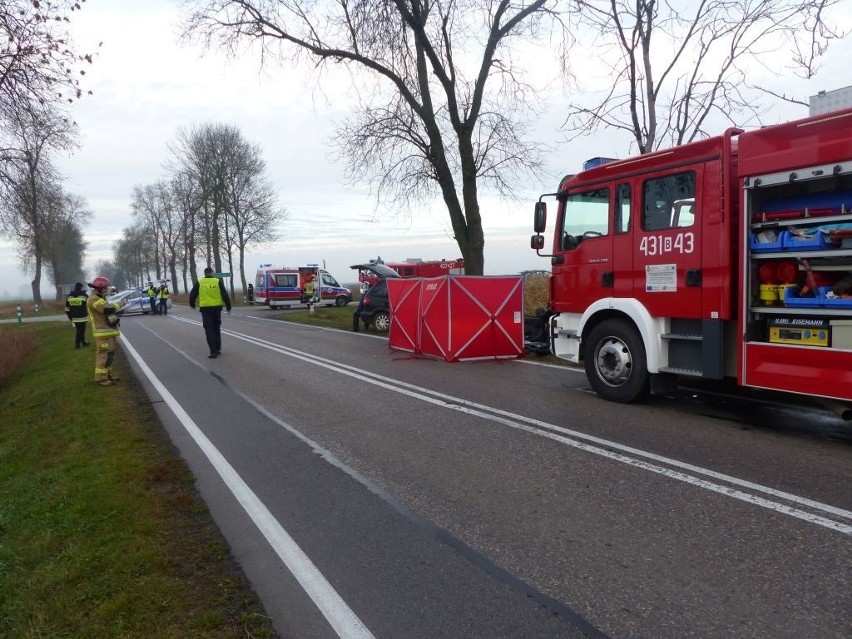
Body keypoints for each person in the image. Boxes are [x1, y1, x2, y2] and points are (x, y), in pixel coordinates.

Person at [86, 276, 127, 386]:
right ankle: (101, 379)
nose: (106, 289)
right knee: (103, 356)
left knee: (109, 355)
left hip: (108, 332)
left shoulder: (100, 298)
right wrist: (121, 303)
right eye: (105, 288)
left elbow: (108, 313)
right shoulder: (94, 299)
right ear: (98, 288)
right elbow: (107, 309)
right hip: (102, 333)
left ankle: (108, 375)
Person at [189, 267, 232, 359]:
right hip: (216, 308)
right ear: (212, 273)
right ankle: (218, 348)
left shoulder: (200, 282)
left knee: (209, 330)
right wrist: (228, 306)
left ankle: (213, 352)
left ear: (204, 273)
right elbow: (224, 294)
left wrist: (192, 304)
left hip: (205, 309)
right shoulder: (217, 281)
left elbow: (193, 294)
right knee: (216, 328)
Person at [65, 282, 90, 348]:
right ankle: (77, 344)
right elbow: (89, 306)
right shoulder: (84, 296)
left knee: (79, 330)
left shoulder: (69, 297)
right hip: (83, 317)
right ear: (81, 288)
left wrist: (70, 317)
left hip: (74, 317)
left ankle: (83, 342)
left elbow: (67, 309)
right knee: (81, 331)